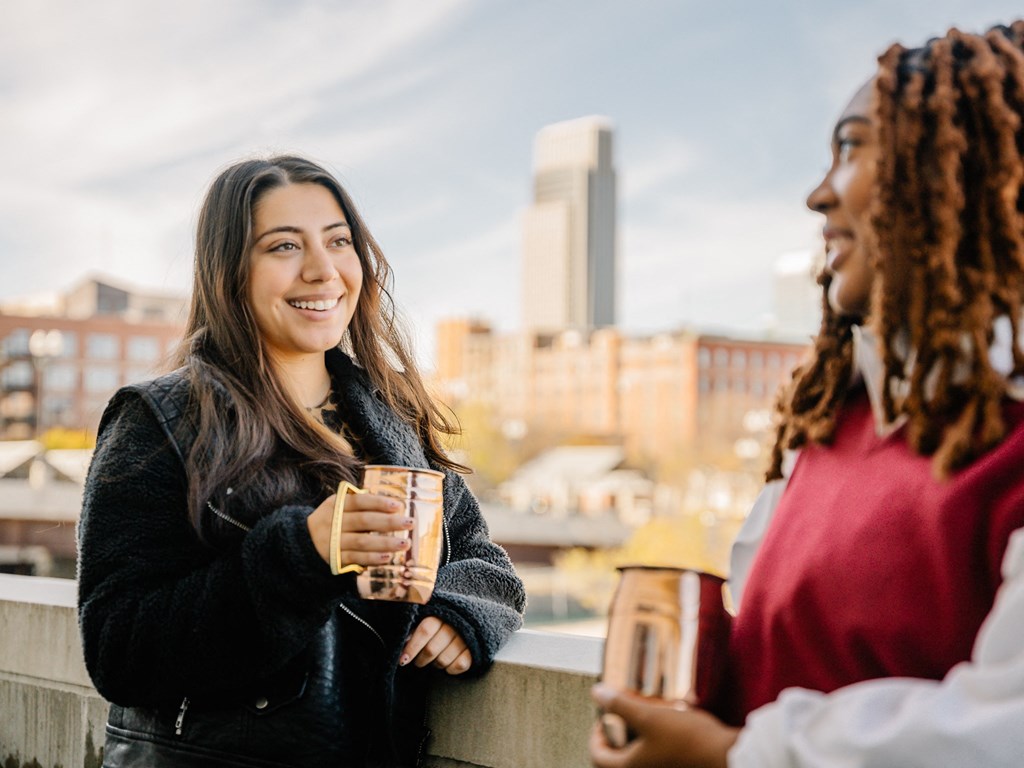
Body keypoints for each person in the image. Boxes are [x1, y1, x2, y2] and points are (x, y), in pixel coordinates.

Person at [590, 21, 1024, 768]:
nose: (818, 194)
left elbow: (1003, 730)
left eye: (853, 149)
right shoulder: (829, 428)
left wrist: (734, 756)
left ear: (956, 173)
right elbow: (785, 658)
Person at [77, 155, 526, 768]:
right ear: (230, 272)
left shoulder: (388, 416)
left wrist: (458, 614)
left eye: (339, 241)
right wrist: (301, 556)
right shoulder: (162, 422)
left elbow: (484, 560)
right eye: (285, 246)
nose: (323, 270)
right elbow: (117, 650)